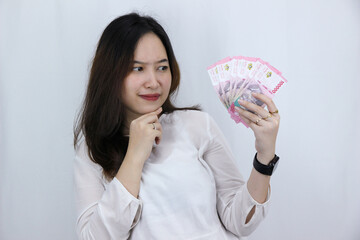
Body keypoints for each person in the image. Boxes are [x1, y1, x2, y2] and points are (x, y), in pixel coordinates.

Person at [73, 12, 281, 240]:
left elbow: (239, 222)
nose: (153, 82)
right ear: (110, 74)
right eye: (138, 68)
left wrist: (264, 156)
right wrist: (134, 155)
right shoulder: (91, 150)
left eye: (162, 67)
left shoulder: (197, 125)